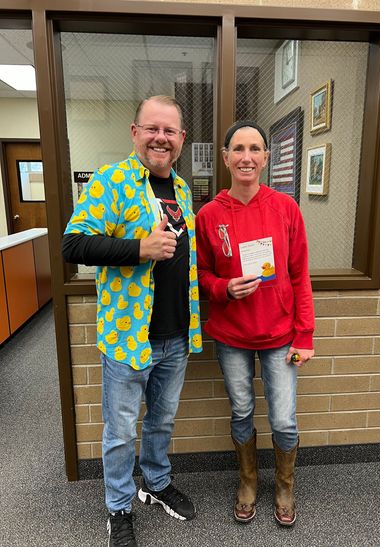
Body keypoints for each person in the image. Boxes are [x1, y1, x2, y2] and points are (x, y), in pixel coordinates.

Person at [62, 95, 202, 547]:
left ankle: (155, 484)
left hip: (176, 334)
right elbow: (73, 245)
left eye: (170, 131)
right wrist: (138, 249)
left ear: (181, 139)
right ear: (135, 132)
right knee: (121, 431)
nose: (161, 138)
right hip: (128, 338)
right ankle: (119, 507)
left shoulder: (181, 189)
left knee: (161, 421)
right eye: (152, 128)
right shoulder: (112, 182)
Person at [195, 120, 314, 527]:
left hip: (281, 335)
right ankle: (248, 480)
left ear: (265, 157)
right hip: (232, 337)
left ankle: (284, 484)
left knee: (283, 418)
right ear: (226, 158)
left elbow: (299, 276)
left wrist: (305, 335)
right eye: (239, 149)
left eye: (255, 149)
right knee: (242, 410)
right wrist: (224, 288)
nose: (247, 157)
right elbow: (201, 277)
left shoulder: (286, 209)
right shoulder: (208, 215)